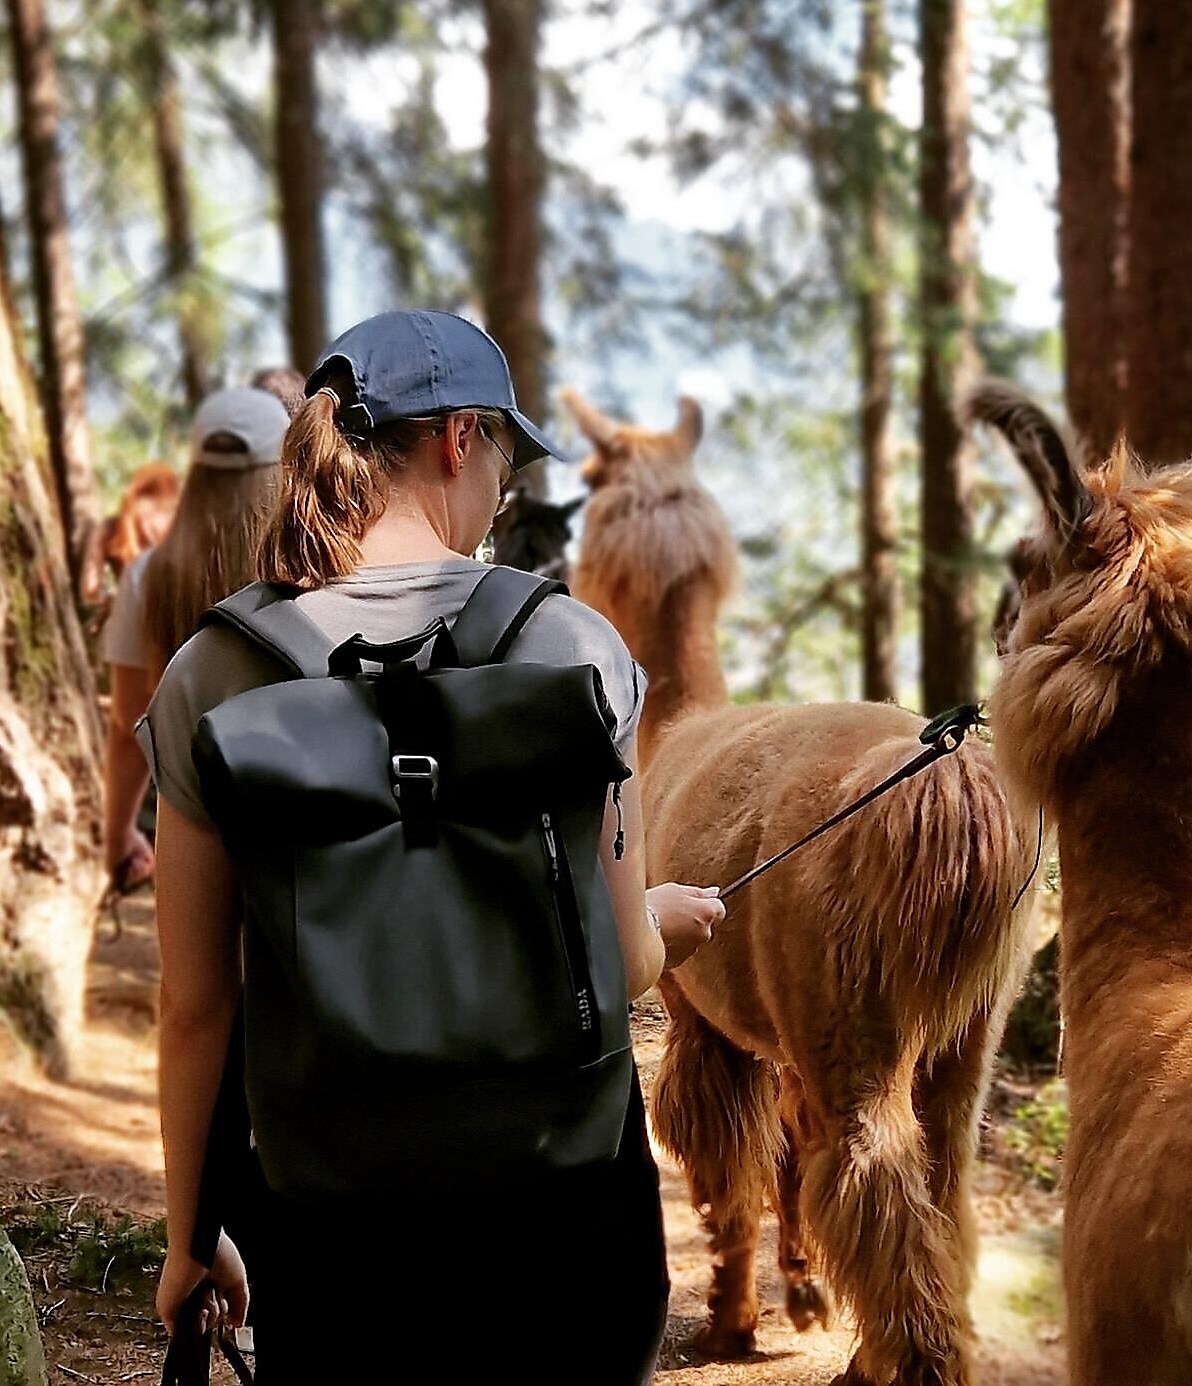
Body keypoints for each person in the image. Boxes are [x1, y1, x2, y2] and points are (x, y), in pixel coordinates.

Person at [145, 311, 722, 1381]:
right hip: (568, 1224)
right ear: (460, 437)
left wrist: (192, 1240)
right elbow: (622, 957)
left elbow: (194, 1006)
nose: (502, 489)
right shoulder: (574, 649)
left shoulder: (214, 672)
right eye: (503, 454)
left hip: (332, 1230)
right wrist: (668, 928)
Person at [101, 387, 290, 893]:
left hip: (188, 827)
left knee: (190, 974)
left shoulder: (148, 578)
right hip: (299, 824)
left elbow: (128, 726)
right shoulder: (315, 572)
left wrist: (118, 836)